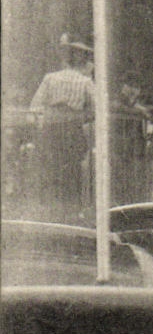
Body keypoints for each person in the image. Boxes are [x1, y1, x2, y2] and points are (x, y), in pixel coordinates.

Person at [28, 35, 96, 217]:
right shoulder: (86, 82)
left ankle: (50, 209)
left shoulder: (50, 78)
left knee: (51, 168)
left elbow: (35, 106)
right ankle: (71, 210)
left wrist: (44, 122)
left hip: (52, 130)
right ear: (83, 61)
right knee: (72, 171)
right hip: (72, 130)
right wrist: (80, 117)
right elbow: (95, 110)